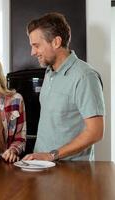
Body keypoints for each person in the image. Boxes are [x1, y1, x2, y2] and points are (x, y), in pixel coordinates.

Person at [23, 12, 105, 161]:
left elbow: (96, 132)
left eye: (36, 45)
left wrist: (52, 155)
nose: (32, 52)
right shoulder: (49, 71)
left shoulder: (85, 76)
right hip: (41, 165)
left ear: (56, 42)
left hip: (71, 172)